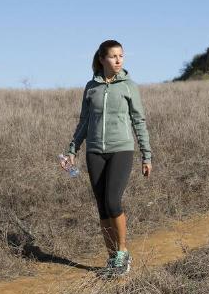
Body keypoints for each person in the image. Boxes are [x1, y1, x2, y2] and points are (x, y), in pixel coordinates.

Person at [60, 39, 152, 277]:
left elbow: (138, 121)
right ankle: (112, 258)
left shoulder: (129, 86)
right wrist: (73, 150)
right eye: (113, 56)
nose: (119, 60)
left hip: (121, 149)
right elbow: (84, 122)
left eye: (121, 55)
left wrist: (146, 155)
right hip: (94, 152)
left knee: (112, 201)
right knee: (102, 207)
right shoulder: (91, 87)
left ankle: (123, 252)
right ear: (102, 59)